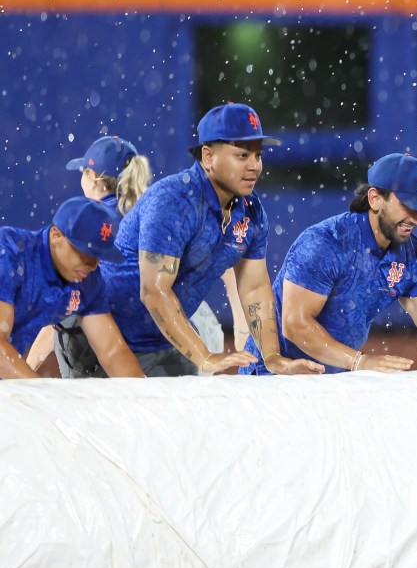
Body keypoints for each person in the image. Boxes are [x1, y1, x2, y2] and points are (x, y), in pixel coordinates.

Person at [100, 102, 323, 376]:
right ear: (207, 157)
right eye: (242, 155)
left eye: (258, 155)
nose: (254, 166)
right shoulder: (173, 201)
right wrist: (204, 357)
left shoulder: (251, 213)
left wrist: (273, 357)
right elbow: (154, 291)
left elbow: (254, 288)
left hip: (161, 340)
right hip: (103, 335)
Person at [26, 135, 246, 378]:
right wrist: (242, 337)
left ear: (94, 178)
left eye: (83, 171)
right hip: (178, 349)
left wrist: (27, 369)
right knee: (185, 298)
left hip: (111, 358)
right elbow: (227, 269)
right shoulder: (163, 214)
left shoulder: (85, 224)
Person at [240, 153, 417, 374]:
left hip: (333, 380)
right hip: (272, 378)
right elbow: (295, 325)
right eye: (408, 205)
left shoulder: (415, 258)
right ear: (375, 198)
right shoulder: (325, 243)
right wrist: (359, 362)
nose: (416, 218)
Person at [1, 197, 144, 380]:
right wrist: (42, 396)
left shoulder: (88, 280)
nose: (92, 264)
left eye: (99, 255)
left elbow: (112, 351)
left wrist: (143, 394)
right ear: (56, 236)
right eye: (85, 251)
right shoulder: (9, 253)